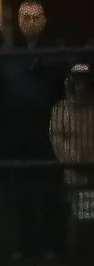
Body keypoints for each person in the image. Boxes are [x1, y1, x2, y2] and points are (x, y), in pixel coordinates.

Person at [54, 65, 94, 248]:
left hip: (92, 170)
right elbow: (57, 140)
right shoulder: (60, 110)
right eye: (77, 83)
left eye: (84, 83)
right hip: (72, 172)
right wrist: (74, 162)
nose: (81, 87)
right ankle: (76, 251)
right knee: (76, 214)